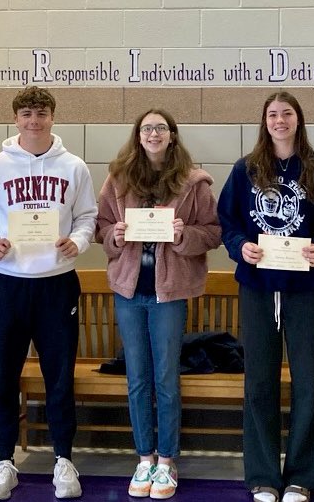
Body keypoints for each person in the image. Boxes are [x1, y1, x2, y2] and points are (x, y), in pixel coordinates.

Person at [0, 87, 98, 501]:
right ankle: (5, 461)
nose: (34, 121)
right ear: (16, 119)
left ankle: (64, 459)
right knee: (3, 376)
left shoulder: (74, 166)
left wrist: (77, 242)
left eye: (41, 113)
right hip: (8, 283)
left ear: (52, 118)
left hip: (57, 284)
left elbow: (87, 217)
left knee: (59, 377)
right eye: (26, 113)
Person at [217, 91, 314, 502]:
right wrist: (241, 247)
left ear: (298, 120)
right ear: (264, 122)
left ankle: (303, 476)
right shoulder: (246, 170)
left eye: (287, 113)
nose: (280, 120)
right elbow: (228, 222)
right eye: (272, 114)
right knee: (259, 382)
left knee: (308, 382)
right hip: (258, 288)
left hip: (304, 291)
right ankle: (263, 476)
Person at [96, 109, 221, 500]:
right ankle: (144, 458)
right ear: (138, 135)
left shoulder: (193, 182)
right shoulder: (118, 178)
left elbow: (214, 233)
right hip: (129, 291)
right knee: (137, 378)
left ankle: (166, 460)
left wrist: (185, 236)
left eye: (160, 128)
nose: (153, 134)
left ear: (172, 135)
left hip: (169, 292)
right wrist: (114, 236)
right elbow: (100, 227)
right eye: (147, 128)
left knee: (166, 378)